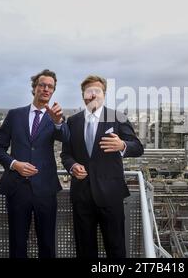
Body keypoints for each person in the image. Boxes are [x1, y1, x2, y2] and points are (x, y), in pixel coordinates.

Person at [61, 75, 144, 258]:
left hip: (111, 196)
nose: (92, 95)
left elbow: (138, 147)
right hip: (82, 197)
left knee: (115, 249)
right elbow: (66, 154)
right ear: (83, 95)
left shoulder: (118, 118)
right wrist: (72, 166)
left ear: (104, 94)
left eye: (97, 91)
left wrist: (122, 145)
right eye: (88, 91)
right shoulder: (73, 121)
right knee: (84, 250)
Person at [0, 69, 69, 258]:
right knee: (17, 244)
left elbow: (66, 137)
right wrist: (15, 164)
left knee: (47, 244)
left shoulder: (56, 118)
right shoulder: (14, 115)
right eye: (42, 85)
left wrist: (58, 122)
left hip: (45, 189)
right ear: (34, 88)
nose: (46, 89)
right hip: (18, 189)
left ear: (53, 92)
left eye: (50, 87)